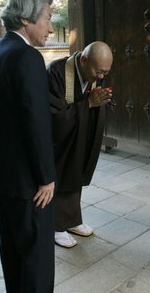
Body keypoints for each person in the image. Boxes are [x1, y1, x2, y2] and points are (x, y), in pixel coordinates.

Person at [0, 0, 58, 292]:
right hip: (28, 181)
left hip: (1, 173)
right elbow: (35, 122)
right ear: (26, 18)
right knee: (36, 259)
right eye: (48, 19)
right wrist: (46, 177)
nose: (51, 28)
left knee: (12, 251)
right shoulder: (27, 56)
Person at [47, 41, 113, 248]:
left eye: (105, 72)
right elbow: (53, 115)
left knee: (76, 172)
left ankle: (72, 220)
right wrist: (89, 104)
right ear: (84, 60)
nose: (101, 77)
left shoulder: (93, 71)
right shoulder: (57, 72)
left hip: (80, 132)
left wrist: (95, 103)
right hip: (59, 139)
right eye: (98, 71)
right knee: (62, 173)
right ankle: (56, 227)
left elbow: (90, 101)